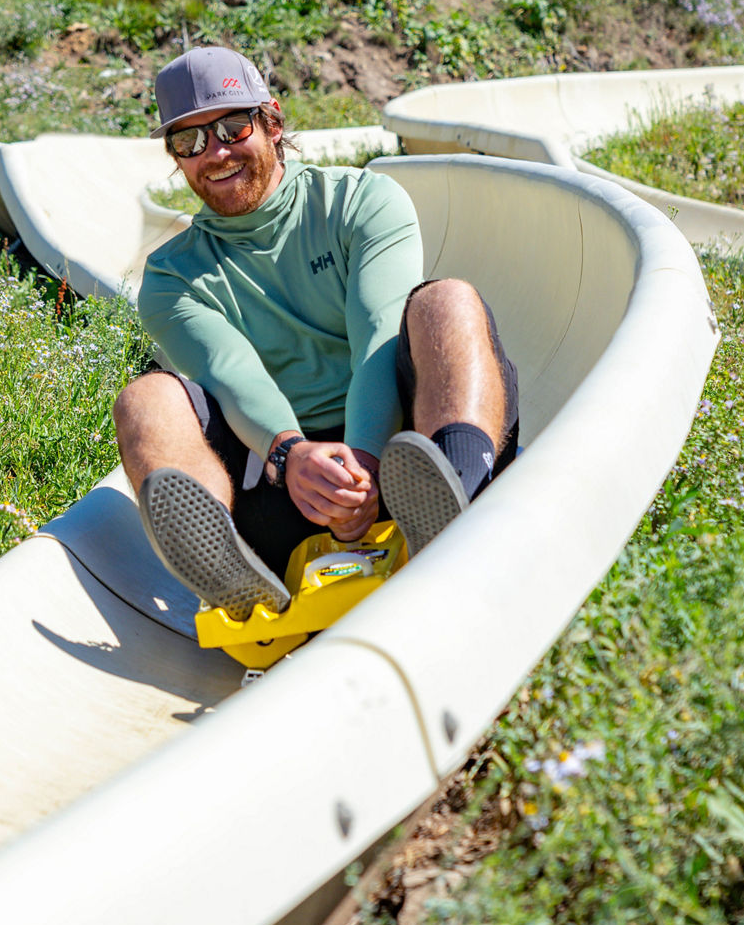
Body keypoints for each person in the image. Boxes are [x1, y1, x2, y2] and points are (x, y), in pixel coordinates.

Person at [113, 46, 519, 622]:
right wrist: (293, 456)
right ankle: (232, 574)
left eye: (233, 127)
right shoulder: (171, 277)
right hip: (284, 481)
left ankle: (453, 502)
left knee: (445, 301)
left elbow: (379, 336)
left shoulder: (360, 203)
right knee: (145, 397)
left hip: (407, 460)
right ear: (175, 157)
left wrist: (364, 461)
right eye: (189, 142)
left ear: (273, 122)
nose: (216, 153)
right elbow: (233, 378)